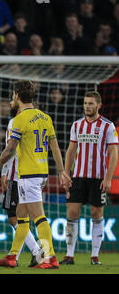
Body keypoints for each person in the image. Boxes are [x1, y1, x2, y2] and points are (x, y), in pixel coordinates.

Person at [0, 80, 72, 269]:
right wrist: (60, 171)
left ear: (17, 95)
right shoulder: (45, 117)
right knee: (21, 214)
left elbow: (10, 150)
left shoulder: (20, 119)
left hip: (28, 175)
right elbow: (55, 146)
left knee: (39, 217)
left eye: (12, 94)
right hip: (41, 173)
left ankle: (49, 257)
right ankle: (12, 257)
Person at [60, 91, 118, 265]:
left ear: (99, 105)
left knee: (96, 213)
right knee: (72, 212)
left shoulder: (108, 126)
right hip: (78, 176)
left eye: (91, 103)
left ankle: (94, 256)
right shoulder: (77, 125)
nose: (87, 106)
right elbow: (71, 150)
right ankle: (69, 255)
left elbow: (114, 153)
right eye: (85, 103)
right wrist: (65, 173)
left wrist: (108, 178)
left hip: (98, 177)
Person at [0, 101, 43, 267]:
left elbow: (9, 149)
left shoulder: (15, 122)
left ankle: (36, 251)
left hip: (15, 175)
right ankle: (14, 258)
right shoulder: (38, 121)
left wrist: (3, 172)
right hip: (33, 173)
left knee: (14, 218)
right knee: (23, 217)